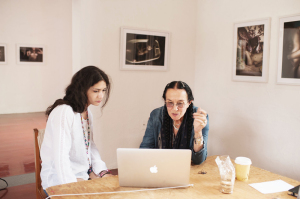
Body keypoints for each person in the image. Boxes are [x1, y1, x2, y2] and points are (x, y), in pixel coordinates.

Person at [40, 66, 112, 192]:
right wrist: (72, 187)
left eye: (103, 90)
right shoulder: (64, 112)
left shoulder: (87, 112)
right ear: (82, 89)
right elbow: (60, 158)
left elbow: (90, 146)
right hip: (58, 180)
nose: (101, 95)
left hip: (81, 175)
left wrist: (102, 172)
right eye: (96, 91)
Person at [140, 81, 209, 165]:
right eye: (170, 103)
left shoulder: (199, 117)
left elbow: (199, 160)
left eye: (180, 103)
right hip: (159, 166)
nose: (175, 109)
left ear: (189, 103)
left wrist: (198, 132)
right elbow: (145, 150)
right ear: (165, 101)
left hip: (187, 170)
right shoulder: (156, 115)